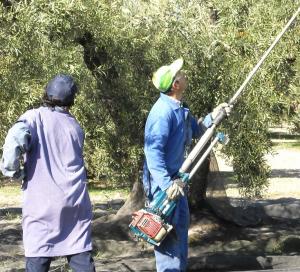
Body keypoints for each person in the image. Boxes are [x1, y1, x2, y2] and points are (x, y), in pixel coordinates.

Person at [142, 58, 231, 272]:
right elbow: (152, 153)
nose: (184, 74)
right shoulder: (162, 113)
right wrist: (166, 184)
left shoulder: (179, 108)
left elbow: (197, 129)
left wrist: (216, 115)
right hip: (164, 188)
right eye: (180, 74)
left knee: (179, 237)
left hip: (177, 184)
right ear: (175, 85)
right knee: (168, 244)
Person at [0, 74, 95, 272]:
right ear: (71, 100)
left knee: (38, 260)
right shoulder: (75, 127)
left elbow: (11, 150)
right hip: (75, 205)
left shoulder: (33, 118)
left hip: (42, 208)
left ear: (46, 93)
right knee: (81, 259)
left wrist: (16, 173)